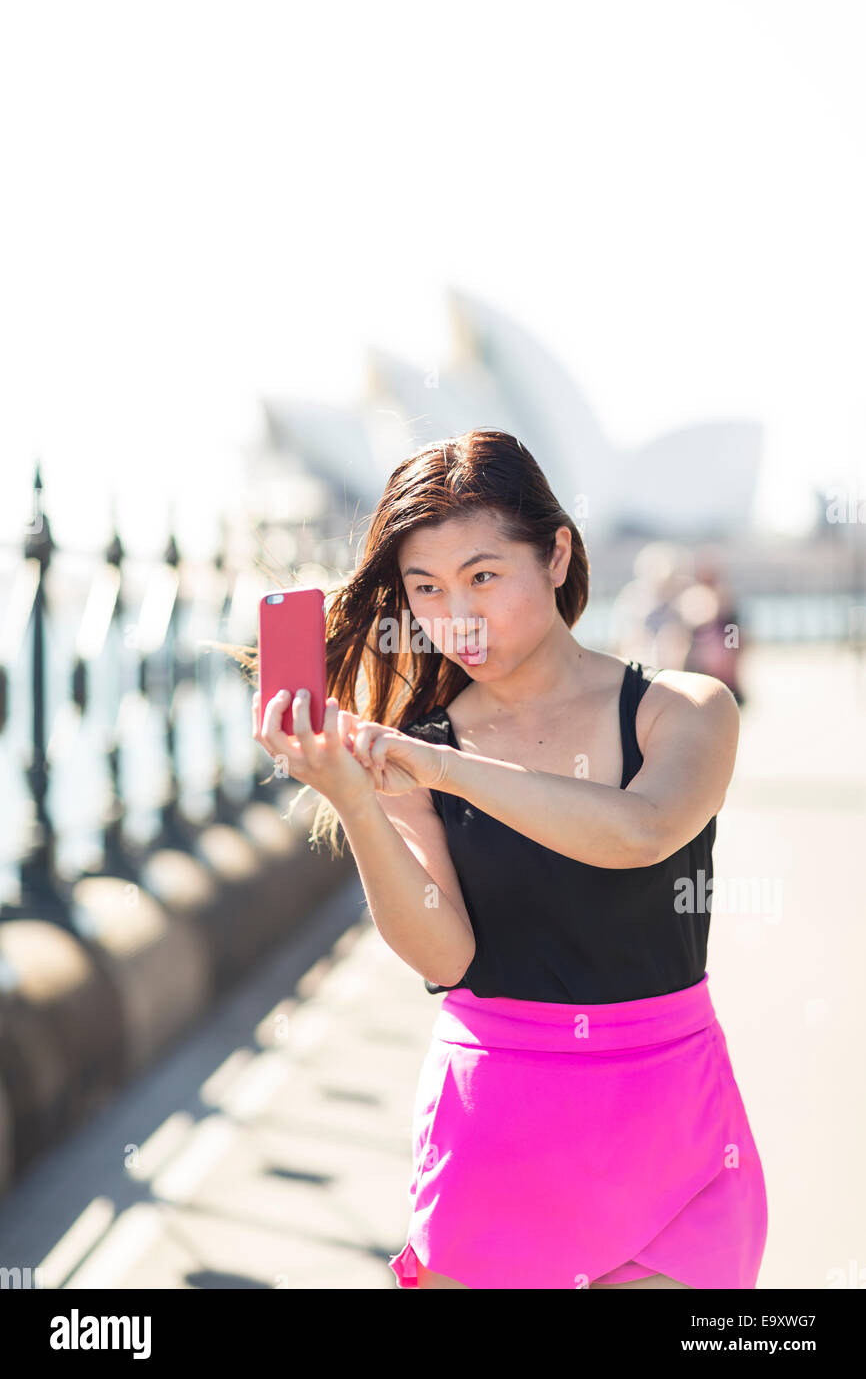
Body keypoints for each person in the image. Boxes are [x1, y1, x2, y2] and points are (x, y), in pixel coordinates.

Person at [249, 428, 768, 1290]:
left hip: (675, 1136)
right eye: (426, 588)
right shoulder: (414, 756)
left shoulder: (682, 709)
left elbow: (637, 834)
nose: (453, 614)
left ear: (557, 555)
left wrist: (443, 766)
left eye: (482, 577)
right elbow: (446, 956)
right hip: (495, 1138)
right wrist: (355, 799)